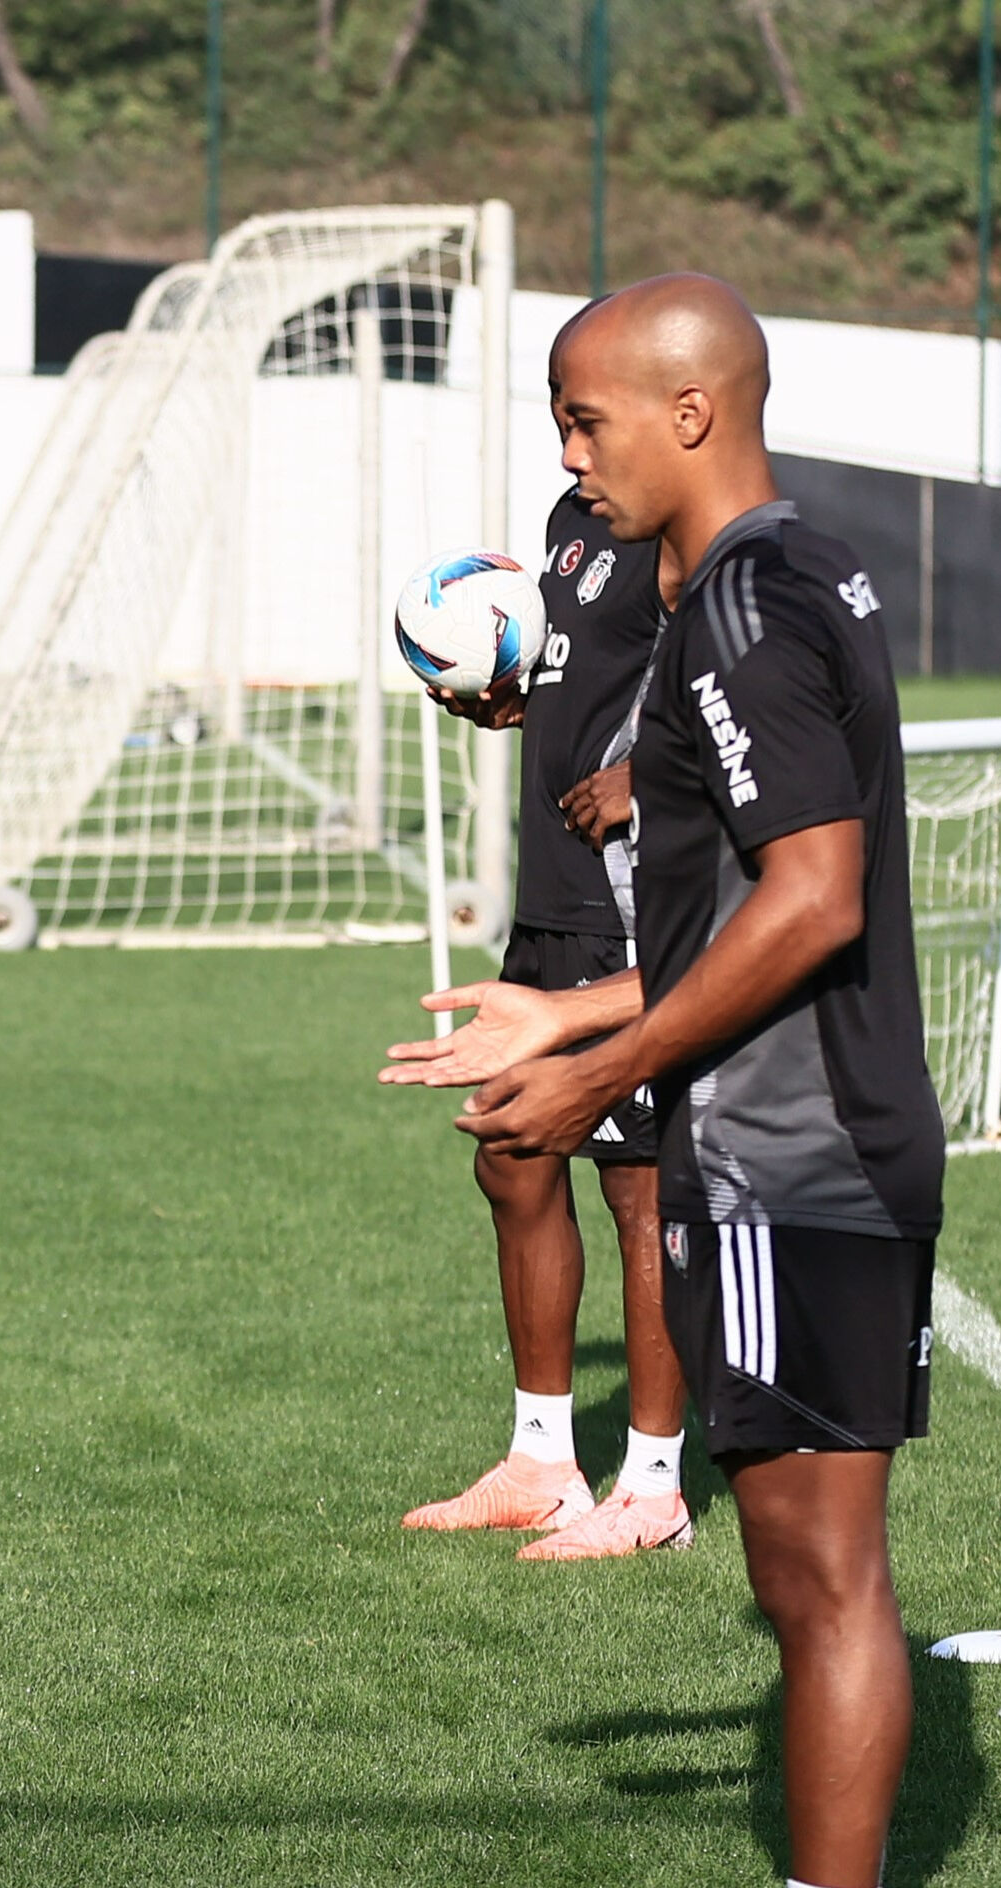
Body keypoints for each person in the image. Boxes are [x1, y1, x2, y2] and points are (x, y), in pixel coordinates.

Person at [381, 274, 941, 1888]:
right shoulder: (773, 576)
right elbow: (745, 903)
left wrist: (603, 1063)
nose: (567, 455)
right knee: (791, 1582)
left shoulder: (750, 600)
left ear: (687, 411)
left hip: (798, 1143)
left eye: (583, 417)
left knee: (822, 1577)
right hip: (770, 1133)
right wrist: (568, 1001)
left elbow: (812, 901)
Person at [402, 436, 694, 1561]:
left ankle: (655, 1486)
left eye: (587, 413)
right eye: (560, 415)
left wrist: (653, 774)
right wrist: (521, 698)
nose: (571, 441)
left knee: (640, 1190)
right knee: (510, 1154)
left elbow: (749, 700)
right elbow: (598, 672)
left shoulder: (686, 534)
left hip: (638, 905)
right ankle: (541, 1462)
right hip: (551, 895)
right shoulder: (569, 525)